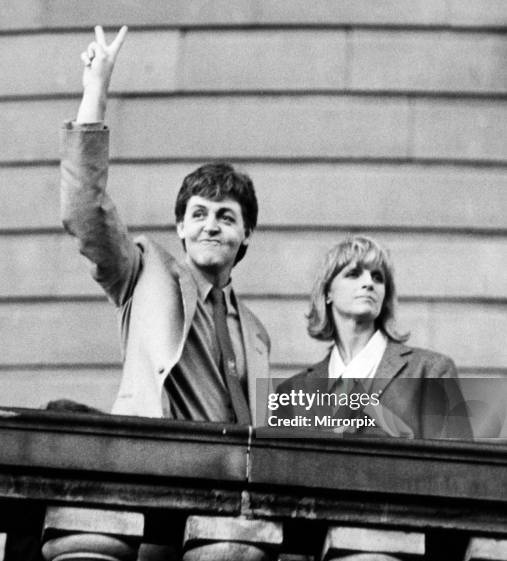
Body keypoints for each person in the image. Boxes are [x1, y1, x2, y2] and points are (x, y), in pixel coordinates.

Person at [61, 25, 269, 423]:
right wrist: (95, 93)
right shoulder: (142, 274)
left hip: (235, 483)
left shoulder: (257, 333)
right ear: (180, 228)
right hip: (161, 473)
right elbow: (84, 211)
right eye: (199, 214)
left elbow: (261, 432)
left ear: (246, 234)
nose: (210, 226)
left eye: (226, 217)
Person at [276, 236, 472, 440]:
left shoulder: (431, 371)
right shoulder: (291, 393)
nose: (369, 283)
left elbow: (457, 467)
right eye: (353, 274)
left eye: (378, 277)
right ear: (327, 293)